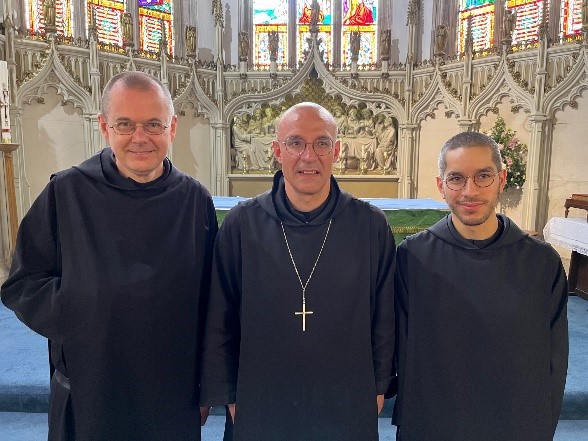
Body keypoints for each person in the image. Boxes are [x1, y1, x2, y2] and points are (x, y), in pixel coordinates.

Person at [1, 71, 218, 441]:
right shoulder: (66, 193)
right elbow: (23, 284)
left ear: (173, 127)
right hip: (93, 385)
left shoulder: (194, 201)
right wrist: (93, 304)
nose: (140, 137)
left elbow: (213, 300)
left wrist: (207, 382)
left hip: (171, 388)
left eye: (153, 124)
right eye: (124, 124)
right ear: (104, 126)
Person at [200, 102, 396, 441]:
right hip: (260, 398)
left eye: (321, 143)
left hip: (346, 398)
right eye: (295, 143)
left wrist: (379, 387)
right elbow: (221, 314)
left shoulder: (369, 225)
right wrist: (228, 394)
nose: (309, 156)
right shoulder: (241, 225)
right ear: (277, 151)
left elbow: (384, 315)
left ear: (336, 151)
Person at [393, 131, 568, 440]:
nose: (469, 191)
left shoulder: (540, 262)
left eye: (483, 176)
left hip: (513, 423)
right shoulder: (414, 257)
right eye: (456, 178)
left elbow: (554, 360)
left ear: (501, 179)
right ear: (441, 186)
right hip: (435, 423)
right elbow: (405, 353)